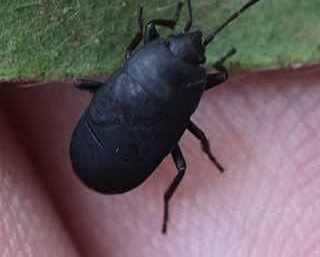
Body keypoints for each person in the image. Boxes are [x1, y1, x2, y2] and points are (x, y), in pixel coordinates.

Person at [1, 66, 319, 256]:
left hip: (102, 142)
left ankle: (170, 198)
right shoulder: (175, 85)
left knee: (182, 163)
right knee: (182, 164)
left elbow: (136, 57)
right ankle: (170, 198)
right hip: (113, 153)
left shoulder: (149, 65)